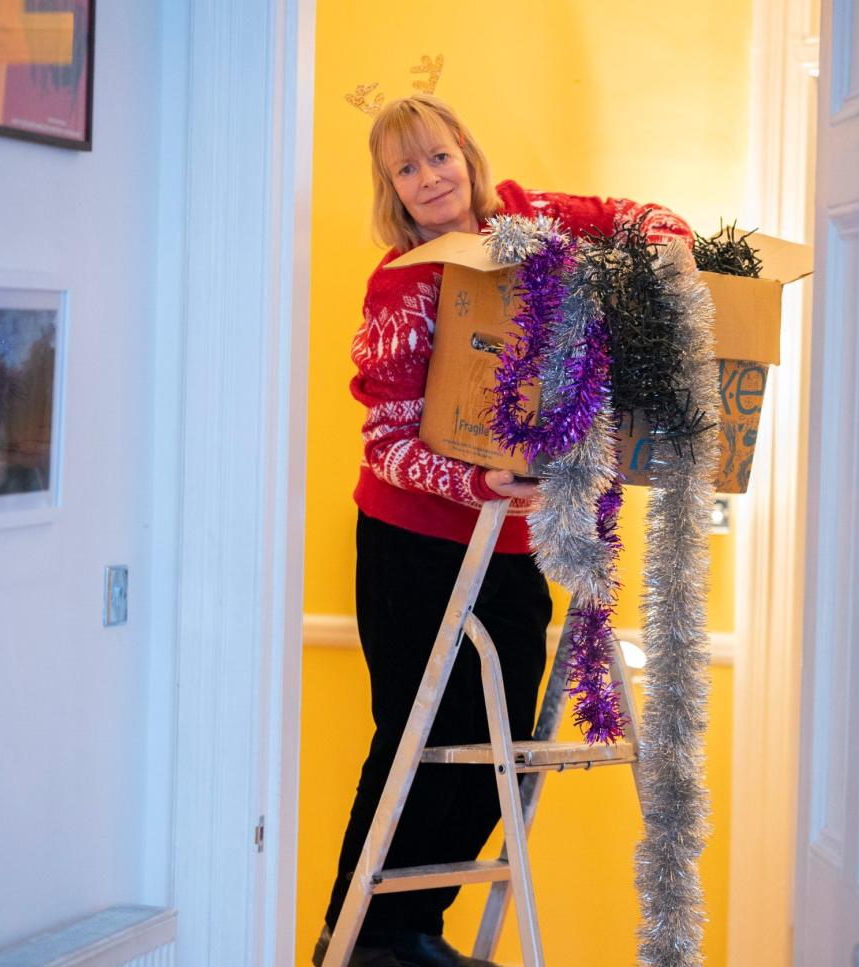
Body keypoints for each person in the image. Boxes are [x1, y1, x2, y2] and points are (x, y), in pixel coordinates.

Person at [314, 94, 694, 967]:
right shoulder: (405, 281)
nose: (430, 178)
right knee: (413, 739)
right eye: (407, 170)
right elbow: (387, 442)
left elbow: (637, 221)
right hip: (413, 541)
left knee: (502, 744)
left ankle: (419, 926)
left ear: (467, 155)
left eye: (438, 157)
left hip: (510, 544)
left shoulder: (534, 222)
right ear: (392, 191)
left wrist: (670, 250)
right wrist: (475, 479)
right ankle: (366, 936)